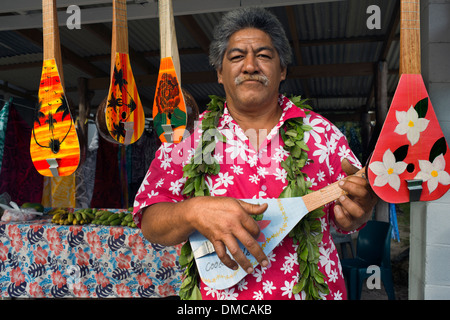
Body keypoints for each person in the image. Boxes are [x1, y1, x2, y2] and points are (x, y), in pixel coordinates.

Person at [133, 7, 378, 300]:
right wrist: (191, 211)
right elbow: (149, 220)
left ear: (282, 69)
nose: (250, 66)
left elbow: (351, 212)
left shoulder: (323, 134)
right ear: (220, 73)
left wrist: (360, 210)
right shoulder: (188, 140)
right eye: (236, 57)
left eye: (263, 55)